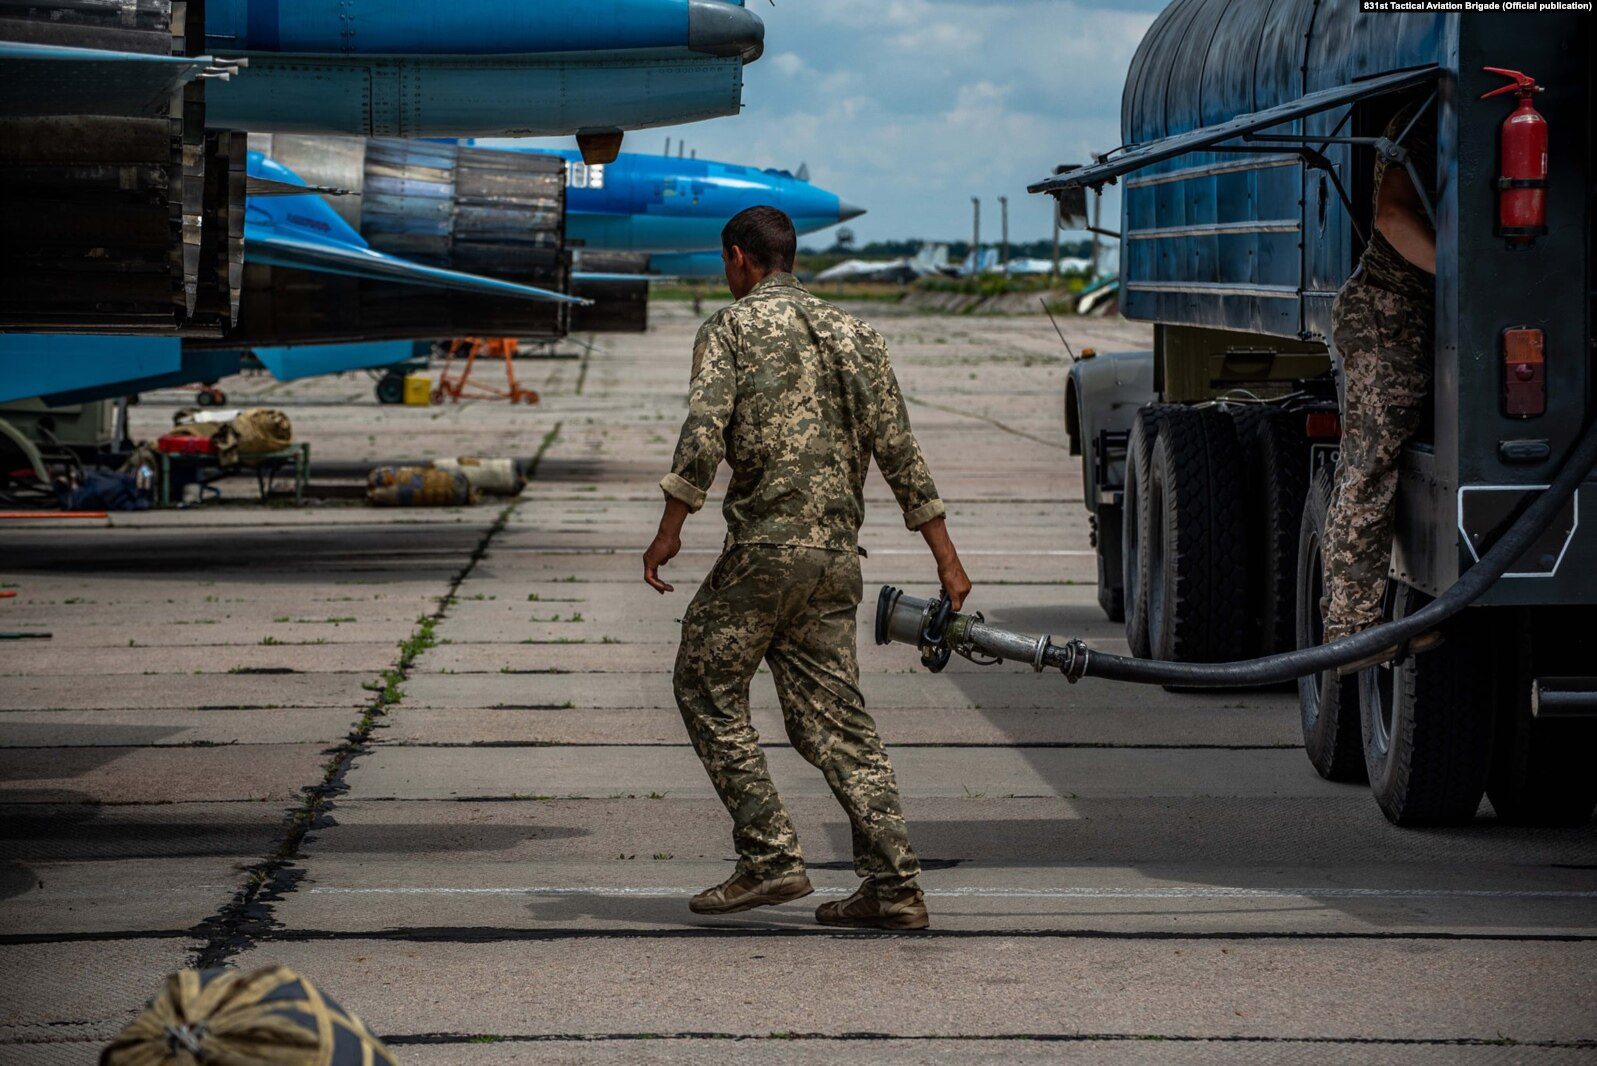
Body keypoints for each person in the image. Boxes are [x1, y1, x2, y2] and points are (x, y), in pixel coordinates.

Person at [642, 205, 971, 930]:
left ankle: (768, 857)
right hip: (832, 561)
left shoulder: (730, 329)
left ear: (738, 259)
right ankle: (894, 888)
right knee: (837, 724)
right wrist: (945, 558)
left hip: (764, 553)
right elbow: (900, 451)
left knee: (703, 681)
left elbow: (703, 433)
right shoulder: (856, 333)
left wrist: (669, 530)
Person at [1322, 99, 1438, 650]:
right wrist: (1466, 274)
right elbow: (1392, 217)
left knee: (1371, 465)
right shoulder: (1421, 123)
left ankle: (1358, 624)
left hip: (1404, 317)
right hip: (1383, 313)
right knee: (1369, 468)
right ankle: (1352, 632)